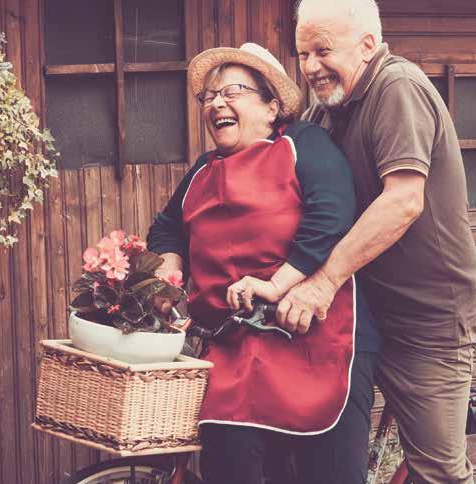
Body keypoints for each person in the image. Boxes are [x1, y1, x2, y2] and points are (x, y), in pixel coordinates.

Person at [146, 42, 379, 484]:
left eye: (231, 91)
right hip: (232, 349)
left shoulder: (303, 144)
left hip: (316, 340)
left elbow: (331, 214)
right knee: (228, 462)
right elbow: (167, 228)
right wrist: (168, 278)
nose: (216, 103)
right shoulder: (203, 169)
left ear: (272, 108)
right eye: (209, 97)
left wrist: (276, 284)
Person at [275, 1, 476, 483]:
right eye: (303, 54)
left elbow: (403, 201)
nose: (310, 67)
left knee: (437, 471)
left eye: (322, 50)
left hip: (425, 319)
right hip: (363, 314)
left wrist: (322, 282)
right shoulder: (328, 109)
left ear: (368, 45)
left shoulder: (397, 88)